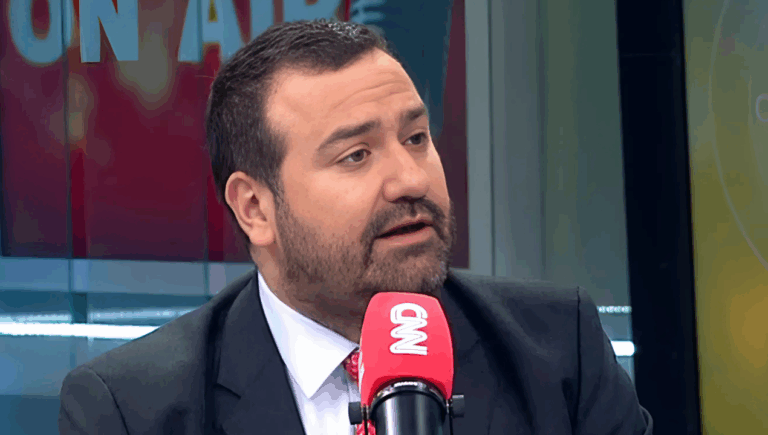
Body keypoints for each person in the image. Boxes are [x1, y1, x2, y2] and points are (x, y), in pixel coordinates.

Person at [58, 19, 652, 435]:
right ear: (255, 208)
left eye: (415, 138)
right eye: (356, 156)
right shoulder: (132, 411)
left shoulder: (557, 350)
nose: (409, 179)